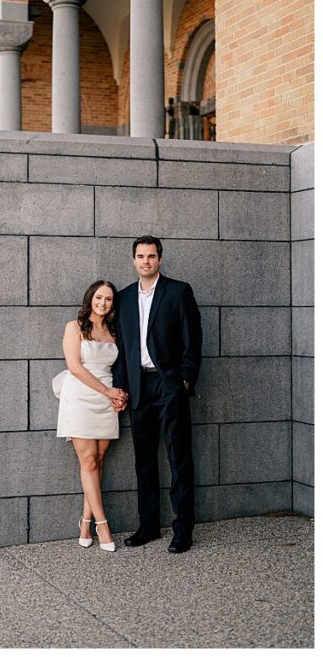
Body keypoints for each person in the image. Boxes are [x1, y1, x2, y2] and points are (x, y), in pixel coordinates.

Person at [113, 236, 202, 553]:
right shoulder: (123, 298)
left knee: (179, 457)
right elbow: (123, 349)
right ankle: (148, 526)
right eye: (140, 256)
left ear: (160, 259)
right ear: (133, 260)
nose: (146, 261)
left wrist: (186, 381)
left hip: (168, 385)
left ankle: (183, 529)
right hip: (138, 387)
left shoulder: (178, 291)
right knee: (144, 461)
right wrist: (121, 386)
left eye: (151, 256)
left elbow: (193, 340)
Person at [53, 280, 128, 552]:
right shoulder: (73, 327)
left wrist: (119, 395)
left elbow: (121, 366)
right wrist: (107, 392)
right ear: (90, 298)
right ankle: (102, 525)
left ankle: (85, 521)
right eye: (99, 297)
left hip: (107, 399)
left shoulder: (113, 331)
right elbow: (74, 367)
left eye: (108, 299)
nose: (103, 303)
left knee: (98, 461)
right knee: (88, 460)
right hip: (81, 397)